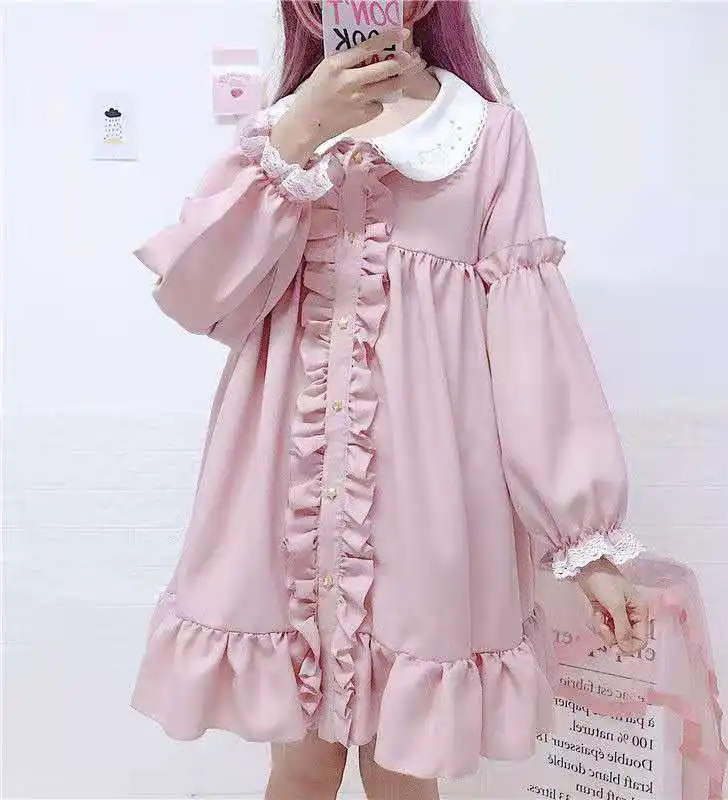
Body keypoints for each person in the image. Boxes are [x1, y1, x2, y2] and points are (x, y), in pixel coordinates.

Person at [130, 2, 651, 799]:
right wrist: (296, 137)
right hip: (285, 502)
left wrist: (587, 541)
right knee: (300, 763)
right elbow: (198, 294)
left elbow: (530, 342)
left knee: (404, 768)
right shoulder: (278, 138)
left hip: (429, 503)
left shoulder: (484, 137)